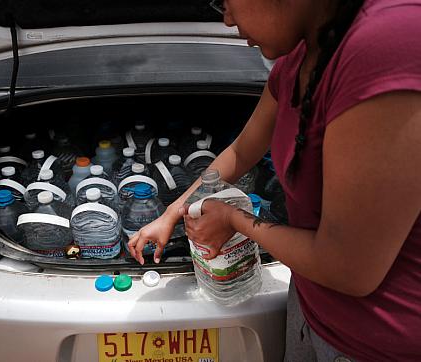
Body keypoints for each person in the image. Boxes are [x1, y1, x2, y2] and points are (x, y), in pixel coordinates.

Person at [128, 0, 421, 361]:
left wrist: (234, 220)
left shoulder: (386, 47)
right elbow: (241, 151)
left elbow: (349, 270)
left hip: (376, 343)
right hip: (312, 308)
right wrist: (173, 212)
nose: (227, 20)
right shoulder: (299, 57)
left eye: (227, 2)